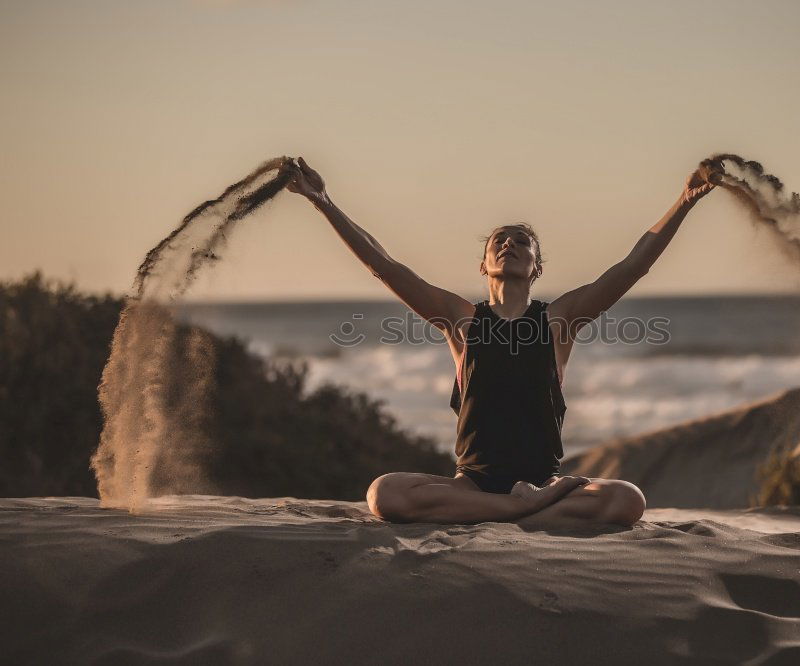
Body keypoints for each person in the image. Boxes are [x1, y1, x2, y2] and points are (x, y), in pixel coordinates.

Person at [286, 156, 719, 527]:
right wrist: (323, 202)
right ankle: (521, 511)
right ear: (484, 265)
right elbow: (385, 265)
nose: (510, 243)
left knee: (628, 499)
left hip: (542, 483)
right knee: (384, 494)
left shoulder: (558, 321)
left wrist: (685, 200)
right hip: (471, 483)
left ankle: (503, 509)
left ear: (536, 268)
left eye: (522, 242)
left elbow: (631, 266)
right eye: (500, 241)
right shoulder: (462, 321)